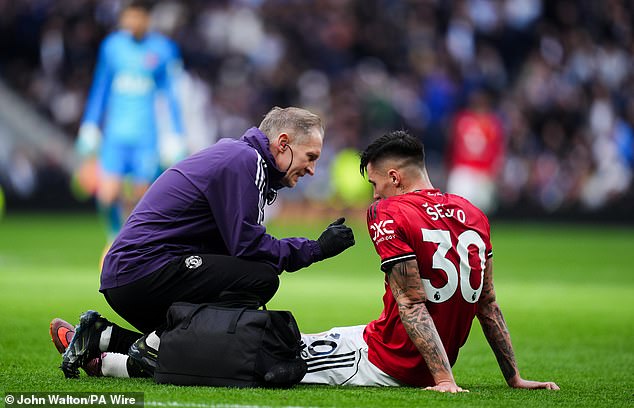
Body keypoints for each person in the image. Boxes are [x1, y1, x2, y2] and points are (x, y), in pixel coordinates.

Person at [51, 106, 355, 379]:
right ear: (283, 143)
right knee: (260, 278)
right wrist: (315, 249)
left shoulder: (240, 158)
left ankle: (102, 339)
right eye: (310, 156)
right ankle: (147, 352)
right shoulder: (244, 161)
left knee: (224, 337)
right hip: (143, 271)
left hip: (136, 274)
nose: (313, 169)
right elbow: (247, 246)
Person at [299, 130, 559, 392]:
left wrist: (445, 381)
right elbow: (487, 304)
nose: (375, 195)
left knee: (277, 350)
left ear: (394, 177)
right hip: (409, 354)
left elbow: (411, 302)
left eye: (375, 185)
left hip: (386, 361)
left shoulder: (387, 212)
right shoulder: (474, 214)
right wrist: (514, 378)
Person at [74, 0, 186, 246]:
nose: (132, 23)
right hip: (116, 135)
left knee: (143, 197)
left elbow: (171, 95)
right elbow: (101, 87)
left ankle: (138, 242)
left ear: (147, 18)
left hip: (146, 136)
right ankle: (114, 236)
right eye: (128, 18)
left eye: (137, 18)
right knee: (107, 195)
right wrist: (90, 124)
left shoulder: (163, 49)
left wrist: (175, 134)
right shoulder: (112, 47)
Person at [446, 88, 504, 214]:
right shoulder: (464, 120)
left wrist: (494, 171)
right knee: (458, 209)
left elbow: (496, 150)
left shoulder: (491, 123)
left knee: (479, 211)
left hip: (482, 172)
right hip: (464, 169)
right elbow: (453, 145)